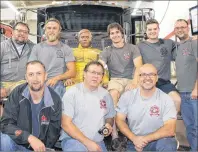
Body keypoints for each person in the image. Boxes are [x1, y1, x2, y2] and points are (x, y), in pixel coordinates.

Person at [1, 60, 62, 151]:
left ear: (45, 76)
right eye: (31, 74)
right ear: (26, 77)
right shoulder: (17, 94)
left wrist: (42, 147)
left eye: (39, 73)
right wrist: (28, 137)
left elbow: (53, 132)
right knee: (4, 140)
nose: (35, 79)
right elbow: (6, 124)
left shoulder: (55, 99)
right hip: (16, 143)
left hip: (39, 147)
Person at [116, 64, 177, 151]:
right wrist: (134, 139)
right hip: (134, 141)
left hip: (157, 141)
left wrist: (145, 139)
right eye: (143, 74)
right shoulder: (127, 96)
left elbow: (170, 129)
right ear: (138, 78)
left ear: (156, 78)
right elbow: (119, 120)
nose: (147, 78)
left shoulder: (166, 99)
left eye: (151, 74)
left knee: (167, 144)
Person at [99, 22, 143, 142]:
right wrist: (103, 79)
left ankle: (134, 133)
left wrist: (134, 82)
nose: (115, 35)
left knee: (135, 100)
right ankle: (114, 135)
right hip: (115, 80)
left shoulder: (133, 48)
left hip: (132, 78)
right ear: (109, 36)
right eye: (112, 33)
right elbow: (101, 65)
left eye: (117, 32)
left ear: (122, 33)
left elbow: (139, 66)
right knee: (113, 94)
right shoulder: (107, 51)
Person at [60, 61, 116, 151]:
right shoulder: (72, 93)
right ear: (84, 74)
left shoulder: (106, 94)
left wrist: (108, 124)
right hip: (74, 140)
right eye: (92, 72)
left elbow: (110, 116)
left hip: (98, 141)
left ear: (102, 77)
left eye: (99, 73)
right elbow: (65, 124)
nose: (95, 76)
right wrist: (88, 143)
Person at [138, 19, 181, 113]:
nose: (152, 31)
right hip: (147, 82)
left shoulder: (168, 43)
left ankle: (169, 125)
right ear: (146, 31)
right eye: (150, 29)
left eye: (155, 29)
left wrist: (193, 39)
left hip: (164, 83)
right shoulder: (140, 46)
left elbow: (184, 46)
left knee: (177, 100)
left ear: (158, 29)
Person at [28, 18, 76, 97]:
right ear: (45, 31)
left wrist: (56, 78)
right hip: (39, 81)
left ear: (59, 31)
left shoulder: (66, 48)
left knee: (56, 97)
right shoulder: (37, 48)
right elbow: (31, 68)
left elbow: (72, 71)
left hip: (58, 83)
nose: (51, 31)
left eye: (54, 28)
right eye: (49, 28)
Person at [174, 19, 198, 151]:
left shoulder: (194, 43)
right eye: (177, 28)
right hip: (182, 93)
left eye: (182, 27)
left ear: (188, 28)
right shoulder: (176, 47)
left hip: (194, 93)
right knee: (190, 127)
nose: (180, 30)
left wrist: (196, 88)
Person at [1, 21, 34, 100]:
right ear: (12, 31)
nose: (22, 34)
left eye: (25, 32)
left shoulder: (32, 48)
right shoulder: (2, 47)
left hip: (23, 83)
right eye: (19, 31)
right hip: (4, 83)